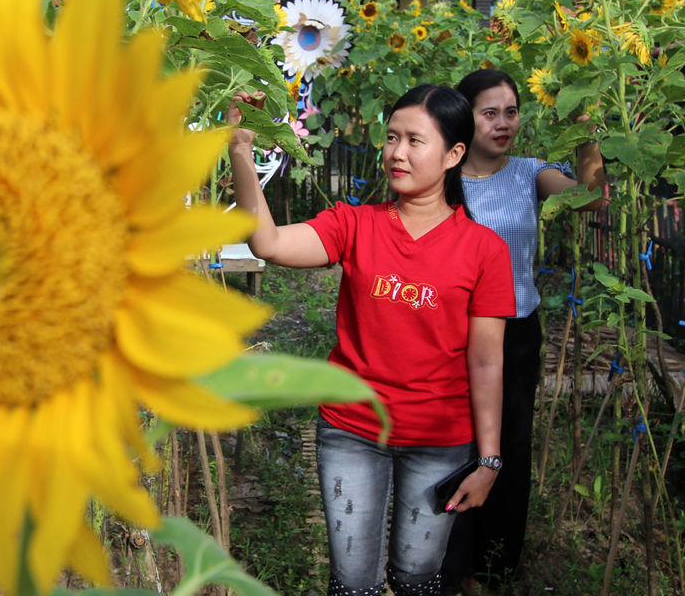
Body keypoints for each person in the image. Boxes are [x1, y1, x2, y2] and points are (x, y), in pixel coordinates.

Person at [227, 84, 515, 596]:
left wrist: (489, 459)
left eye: (415, 141)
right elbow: (268, 243)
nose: (397, 153)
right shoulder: (355, 225)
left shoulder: (484, 250)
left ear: (454, 155)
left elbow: (487, 363)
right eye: (391, 138)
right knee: (353, 582)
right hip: (351, 432)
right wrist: (240, 151)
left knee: (417, 579)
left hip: (440, 441)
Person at [439, 68, 605, 593]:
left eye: (511, 111)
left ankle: (490, 567)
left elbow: (591, 199)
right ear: (466, 116)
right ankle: (443, 560)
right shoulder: (441, 176)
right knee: (448, 445)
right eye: (490, 112)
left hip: (513, 333)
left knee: (506, 448)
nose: (503, 122)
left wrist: (585, 131)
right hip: (448, 332)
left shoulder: (532, 173)